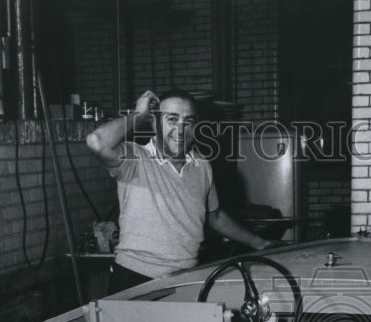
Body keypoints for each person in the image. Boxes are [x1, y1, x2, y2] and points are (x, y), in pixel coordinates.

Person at [86, 88, 271, 292]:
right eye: (172, 119)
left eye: (188, 121)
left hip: (186, 279)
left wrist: (261, 243)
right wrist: (138, 114)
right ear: (155, 122)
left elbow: (215, 216)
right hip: (135, 279)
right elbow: (97, 142)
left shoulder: (201, 165)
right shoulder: (136, 158)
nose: (181, 130)